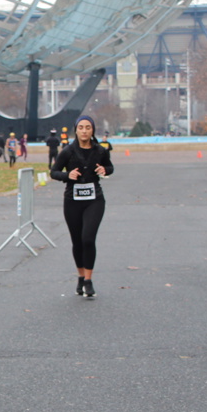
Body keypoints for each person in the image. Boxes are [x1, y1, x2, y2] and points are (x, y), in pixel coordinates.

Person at [50, 115, 114, 298]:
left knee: (88, 238)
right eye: (81, 128)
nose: (84, 131)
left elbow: (110, 167)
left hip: (95, 200)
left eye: (88, 127)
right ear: (76, 130)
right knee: (77, 241)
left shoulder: (100, 150)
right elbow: (54, 172)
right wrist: (67, 175)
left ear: (92, 130)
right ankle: (80, 275)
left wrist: (104, 170)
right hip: (72, 201)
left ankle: (88, 279)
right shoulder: (67, 151)